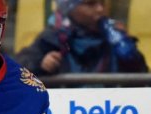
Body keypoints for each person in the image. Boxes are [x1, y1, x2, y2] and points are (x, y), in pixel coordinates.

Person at [15, 0, 147, 76]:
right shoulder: (53, 37)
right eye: (90, 4)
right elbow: (20, 68)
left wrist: (129, 51)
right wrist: (41, 64)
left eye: (102, 2)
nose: (100, 9)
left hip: (111, 112)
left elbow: (141, 76)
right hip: (71, 111)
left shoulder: (113, 37)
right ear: (70, 9)